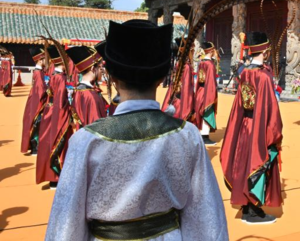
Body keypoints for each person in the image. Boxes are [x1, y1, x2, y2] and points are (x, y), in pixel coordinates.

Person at [45, 19, 228, 240]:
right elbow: (205, 217)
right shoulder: (187, 135)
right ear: (162, 78)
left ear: (112, 76)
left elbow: (66, 223)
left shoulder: (86, 141)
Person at [220, 31, 283, 224]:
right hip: (258, 128)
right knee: (257, 163)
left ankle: (246, 206)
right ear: (265, 51)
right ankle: (254, 209)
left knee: (244, 164)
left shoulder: (245, 73)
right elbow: (269, 110)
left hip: (245, 126)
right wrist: (275, 133)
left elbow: (240, 104)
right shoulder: (263, 77)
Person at [36, 45, 72, 188]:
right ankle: (57, 177)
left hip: (49, 111)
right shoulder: (61, 78)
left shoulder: (53, 76)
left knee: (48, 142)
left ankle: (51, 177)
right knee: (59, 143)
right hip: (58, 113)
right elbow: (62, 103)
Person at [65, 46, 107, 130]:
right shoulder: (90, 95)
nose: (102, 70)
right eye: (100, 67)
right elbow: (97, 128)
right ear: (92, 68)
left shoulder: (78, 90)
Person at [21, 47, 48, 155]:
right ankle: (35, 148)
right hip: (37, 102)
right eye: (45, 59)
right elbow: (41, 90)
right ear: (40, 60)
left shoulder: (38, 72)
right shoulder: (38, 73)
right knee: (36, 123)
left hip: (34, 100)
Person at [195, 41, 219, 145]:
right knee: (207, 111)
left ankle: (202, 134)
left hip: (201, 90)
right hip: (207, 91)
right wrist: (212, 95)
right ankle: (204, 136)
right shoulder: (210, 65)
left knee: (201, 111)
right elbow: (211, 82)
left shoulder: (201, 62)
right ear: (211, 51)